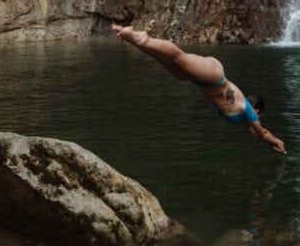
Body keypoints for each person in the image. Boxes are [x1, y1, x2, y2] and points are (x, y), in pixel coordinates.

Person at [111, 25, 286, 154]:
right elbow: (262, 132)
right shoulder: (248, 111)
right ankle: (143, 38)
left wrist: (271, 143)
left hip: (201, 81)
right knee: (179, 57)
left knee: (165, 61)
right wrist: (278, 141)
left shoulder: (244, 118)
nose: (258, 119)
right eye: (259, 115)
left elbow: (259, 134)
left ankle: (133, 40)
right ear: (257, 109)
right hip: (213, 76)